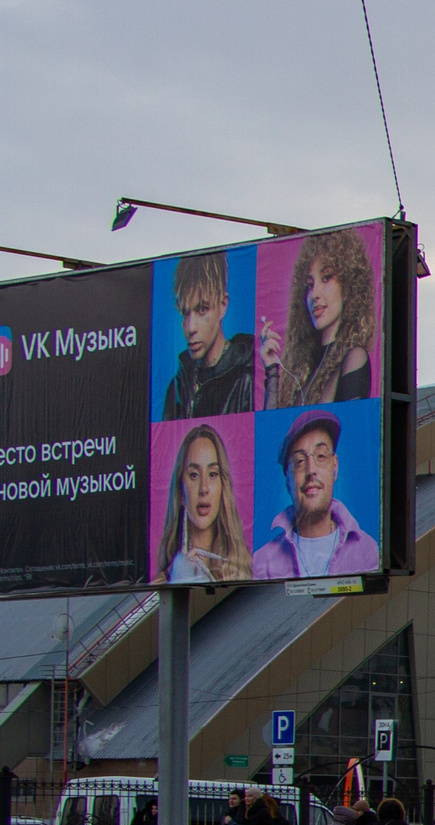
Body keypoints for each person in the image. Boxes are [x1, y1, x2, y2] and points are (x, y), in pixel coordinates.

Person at [250, 413, 381, 579]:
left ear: (335, 467)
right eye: (299, 461)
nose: (311, 470)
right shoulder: (262, 562)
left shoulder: (367, 550)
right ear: (288, 481)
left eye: (320, 456)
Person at [259, 227, 377, 407]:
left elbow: (350, 430)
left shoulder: (353, 357)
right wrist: (271, 370)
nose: (315, 294)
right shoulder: (300, 367)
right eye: (309, 285)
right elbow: (270, 430)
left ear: (348, 286)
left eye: (326, 278)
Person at [162, 252, 258, 417]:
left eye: (202, 309)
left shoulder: (247, 379)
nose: (191, 327)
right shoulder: (178, 387)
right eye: (185, 313)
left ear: (223, 305)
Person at [159, 424, 253, 583]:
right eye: (194, 475)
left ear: (223, 486)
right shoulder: (164, 580)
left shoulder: (248, 570)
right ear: (181, 491)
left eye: (212, 474)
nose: (204, 488)